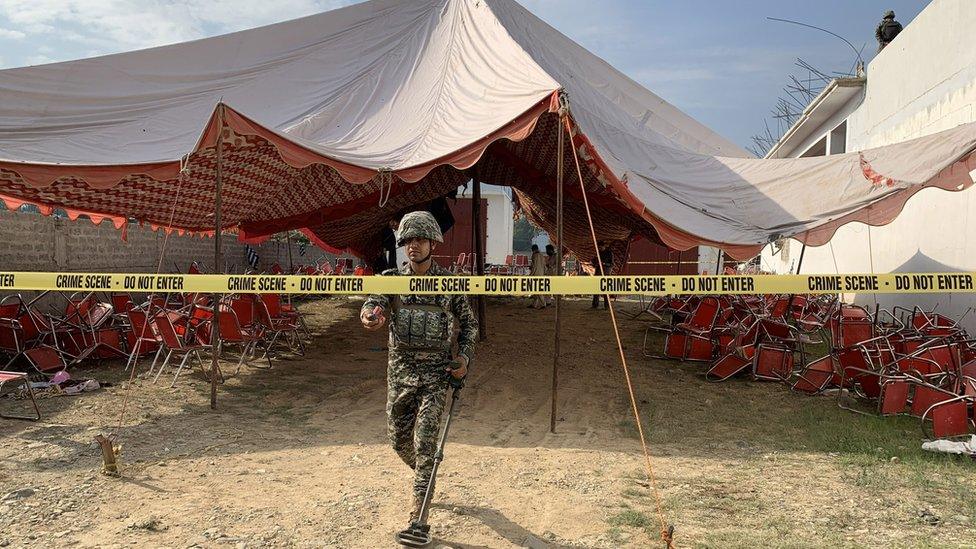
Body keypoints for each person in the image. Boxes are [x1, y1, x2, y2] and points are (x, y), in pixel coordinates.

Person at [360, 211, 478, 524]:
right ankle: (425, 476)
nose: (414, 245)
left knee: (425, 442)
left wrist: (463, 359)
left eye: (420, 239)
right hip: (400, 375)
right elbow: (374, 304)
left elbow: (469, 325)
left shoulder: (449, 284)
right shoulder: (390, 281)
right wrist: (371, 315)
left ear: (432, 244)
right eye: (409, 240)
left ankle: (419, 514)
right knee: (399, 442)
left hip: (436, 377)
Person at [591, 242, 613, 309]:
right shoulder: (598, 253)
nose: (600, 249)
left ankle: (607, 306)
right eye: (599, 248)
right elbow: (594, 262)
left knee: (605, 290)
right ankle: (595, 305)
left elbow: (611, 264)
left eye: (601, 247)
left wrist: (604, 263)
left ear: (604, 246)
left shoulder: (609, 253)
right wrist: (594, 263)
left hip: (605, 272)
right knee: (596, 289)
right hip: (598, 272)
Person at [529, 244, 547, 309]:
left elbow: (534, 266)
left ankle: (543, 304)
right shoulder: (542, 255)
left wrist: (530, 274)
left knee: (537, 290)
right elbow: (544, 266)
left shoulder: (534, 255)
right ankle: (535, 304)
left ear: (533, 250)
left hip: (535, 274)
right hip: (541, 274)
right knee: (537, 290)